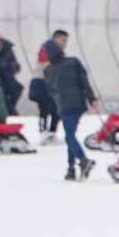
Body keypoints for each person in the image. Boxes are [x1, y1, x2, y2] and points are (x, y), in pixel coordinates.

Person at [43, 36, 98, 181]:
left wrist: (57, 102)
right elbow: (84, 81)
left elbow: (50, 91)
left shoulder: (48, 70)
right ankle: (71, 169)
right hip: (79, 103)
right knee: (71, 134)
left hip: (64, 105)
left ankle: (83, 160)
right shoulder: (73, 62)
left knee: (69, 136)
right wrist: (91, 98)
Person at [29, 30, 66, 144]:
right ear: (56, 38)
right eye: (63, 40)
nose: (65, 43)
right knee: (45, 108)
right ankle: (44, 133)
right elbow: (47, 66)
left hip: (51, 83)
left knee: (55, 109)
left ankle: (51, 133)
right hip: (41, 82)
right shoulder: (47, 48)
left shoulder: (58, 51)